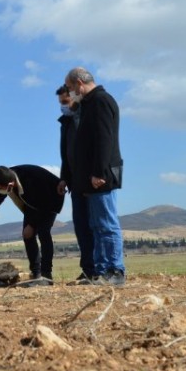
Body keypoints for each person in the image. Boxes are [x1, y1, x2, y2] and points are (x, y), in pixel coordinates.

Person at [64, 67, 125, 286]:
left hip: (101, 176)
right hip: (88, 178)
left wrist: (99, 172)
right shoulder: (88, 105)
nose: (70, 94)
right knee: (96, 225)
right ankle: (101, 270)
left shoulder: (101, 101)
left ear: (80, 83)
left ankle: (115, 270)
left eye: (71, 88)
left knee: (107, 224)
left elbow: (104, 139)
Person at [0, 165, 64, 284]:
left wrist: (32, 224)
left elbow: (42, 203)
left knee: (43, 233)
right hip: (31, 205)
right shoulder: (5, 177)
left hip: (50, 199)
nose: (0, 189)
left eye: (1, 187)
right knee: (27, 235)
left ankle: (46, 274)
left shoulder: (31, 179)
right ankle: (36, 273)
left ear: (10, 184)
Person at [56, 85, 99, 285]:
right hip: (75, 182)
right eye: (60, 103)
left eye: (65, 102)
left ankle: (101, 268)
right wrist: (64, 178)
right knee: (81, 227)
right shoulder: (66, 122)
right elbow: (66, 154)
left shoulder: (87, 117)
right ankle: (88, 270)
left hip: (91, 181)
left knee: (96, 226)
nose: (63, 107)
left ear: (75, 96)